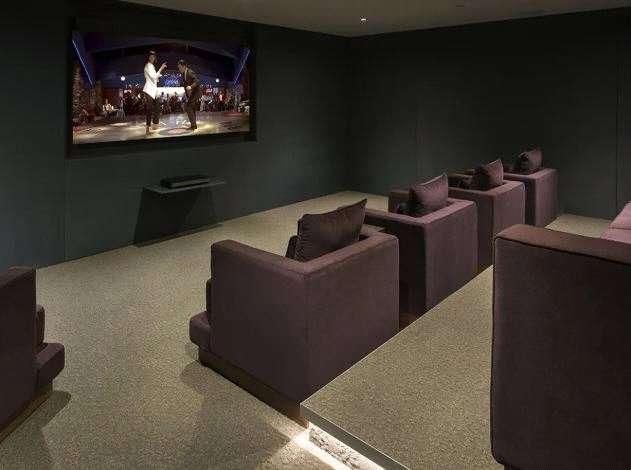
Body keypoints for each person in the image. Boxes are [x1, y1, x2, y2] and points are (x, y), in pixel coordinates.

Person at [142, 51, 166, 135]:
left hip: (153, 90)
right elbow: (153, 77)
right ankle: (147, 128)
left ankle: (155, 124)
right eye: (151, 56)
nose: (152, 58)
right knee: (149, 109)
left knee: (158, 106)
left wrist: (158, 76)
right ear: (148, 57)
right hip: (149, 90)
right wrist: (161, 69)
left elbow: (155, 78)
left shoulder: (152, 66)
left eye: (154, 57)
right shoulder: (148, 65)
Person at [177, 59, 201, 131]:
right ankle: (194, 125)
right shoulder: (183, 74)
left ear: (184, 66)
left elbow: (197, 81)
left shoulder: (190, 72)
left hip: (196, 93)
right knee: (192, 108)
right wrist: (187, 94)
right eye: (178, 68)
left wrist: (191, 86)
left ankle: (193, 125)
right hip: (192, 94)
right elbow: (185, 85)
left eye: (180, 67)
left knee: (188, 107)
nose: (179, 69)